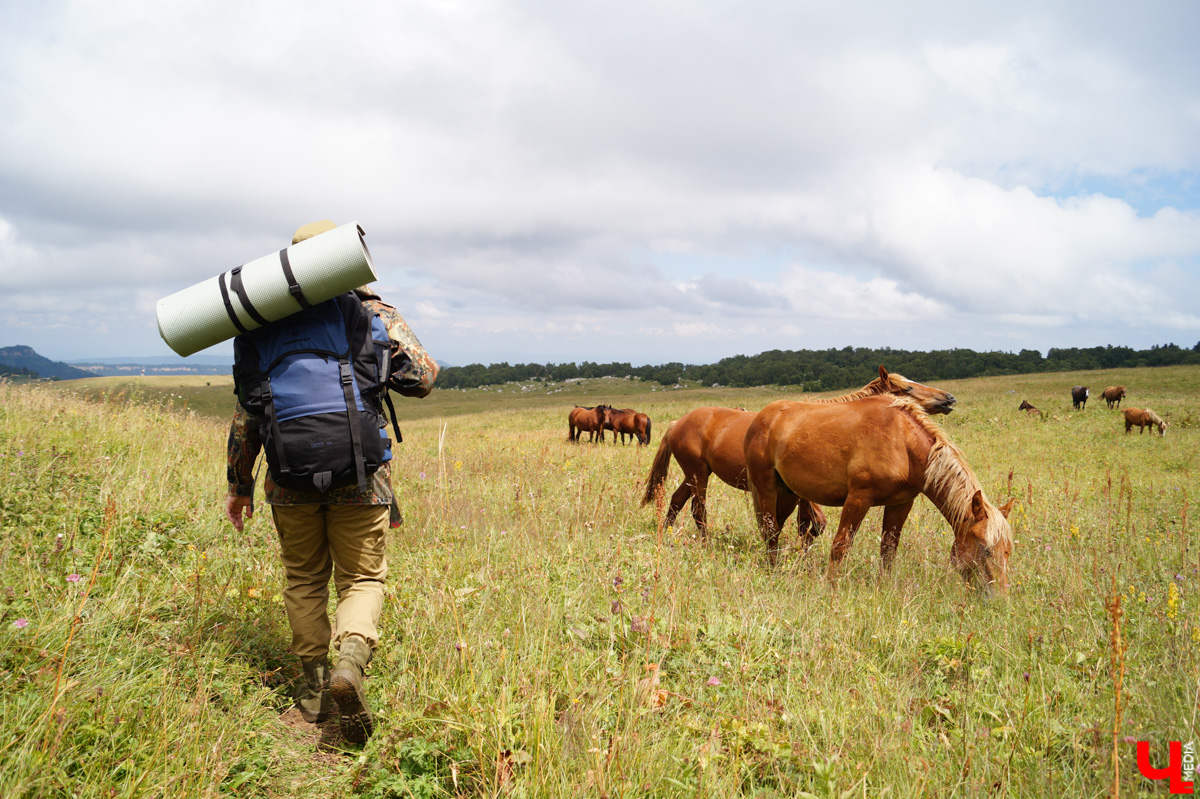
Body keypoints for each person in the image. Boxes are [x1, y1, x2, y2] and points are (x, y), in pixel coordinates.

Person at [223, 220, 438, 743]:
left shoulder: (259, 321)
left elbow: (247, 413)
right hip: (361, 477)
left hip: (287, 480)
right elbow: (423, 379)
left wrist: (239, 485)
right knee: (362, 578)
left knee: (303, 579)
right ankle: (350, 663)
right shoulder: (371, 313)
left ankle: (316, 690)